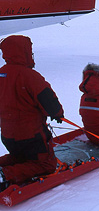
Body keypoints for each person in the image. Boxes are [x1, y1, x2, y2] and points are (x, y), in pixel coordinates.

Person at [0, 35, 64, 191]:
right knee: (46, 164)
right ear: (24, 52)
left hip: (8, 135)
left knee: (20, 158)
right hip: (31, 135)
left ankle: (4, 169)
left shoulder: (1, 73)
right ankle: (5, 175)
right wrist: (57, 113)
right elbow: (48, 100)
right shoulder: (29, 76)